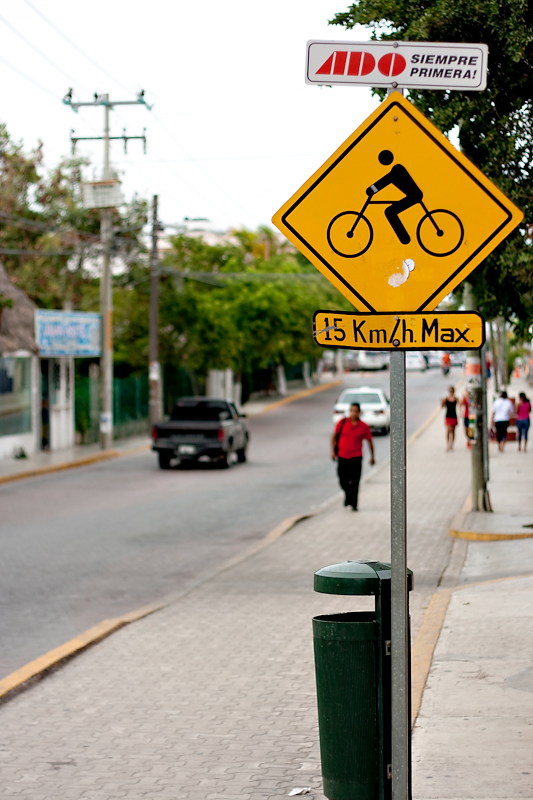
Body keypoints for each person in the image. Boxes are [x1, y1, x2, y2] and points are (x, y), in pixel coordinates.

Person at [365, 150, 423, 245]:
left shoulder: (397, 169)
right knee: (390, 211)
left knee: (389, 211)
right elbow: (386, 180)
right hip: (412, 195)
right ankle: (405, 239)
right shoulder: (396, 169)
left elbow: (386, 180)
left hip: (414, 196)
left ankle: (405, 239)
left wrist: (371, 190)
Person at [331, 403, 375, 511]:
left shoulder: (363, 426)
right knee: (343, 480)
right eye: (351, 410)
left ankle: (354, 503)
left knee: (355, 482)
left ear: (359, 412)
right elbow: (334, 437)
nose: (353, 413)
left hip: (356, 457)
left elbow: (369, 441)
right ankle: (348, 495)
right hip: (342, 456)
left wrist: (372, 456)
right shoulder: (342, 423)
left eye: (355, 411)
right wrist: (333, 452)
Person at [441, 386, 458, 451]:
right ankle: (448, 444)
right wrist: (442, 402)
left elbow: (460, 405)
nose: (451, 392)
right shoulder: (446, 399)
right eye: (450, 391)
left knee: (453, 431)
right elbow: (442, 406)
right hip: (448, 416)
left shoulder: (456, 399)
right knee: (448, 431)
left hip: (454, 416)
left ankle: (452, 445)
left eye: (452, 391)